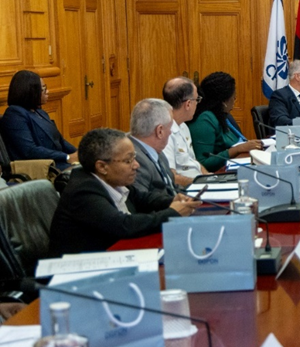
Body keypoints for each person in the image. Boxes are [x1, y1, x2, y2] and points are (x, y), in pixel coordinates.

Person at [49, 128, 199, 256]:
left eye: (134, 158)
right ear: (102, 167)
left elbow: (143, 199)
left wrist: (172, 201)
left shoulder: (112, 179)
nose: (136, 165)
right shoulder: (83, 191)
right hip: (80, 270)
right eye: (128, 161)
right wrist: (173, 213)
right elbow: (124, 226)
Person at [0, 70, 77, 170]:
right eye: (43, 89)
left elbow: (59, 140)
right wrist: (66, 157)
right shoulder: (15, 114)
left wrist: (79, 154)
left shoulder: (40, 112)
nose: (47, 92)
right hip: (41, 167)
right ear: (30, 92)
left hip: (57, 162)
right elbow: (29, 150)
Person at [188, 72, 262, 172]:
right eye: (234, 97)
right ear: (224, 101)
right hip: (219, 173)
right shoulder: (204, 120)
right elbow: (203, 163)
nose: (234, 101)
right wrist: (237, 149)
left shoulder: (220, 114)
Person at [129, 98, 178, 206]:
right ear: (159, 131)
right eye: (170, 127)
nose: (171, 132)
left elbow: (172, 187)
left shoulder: (157, 151)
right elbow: (142, 203)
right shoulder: (134, 159)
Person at [162, 77, 208, 188]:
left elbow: (193, 161)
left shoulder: (183, 126)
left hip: (199, 184)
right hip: (185, 190)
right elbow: (171, 177)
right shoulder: (165, 134)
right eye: (197, 100)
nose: (197, 104)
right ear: (188, 104)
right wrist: (201, 182)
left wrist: (210, 177)